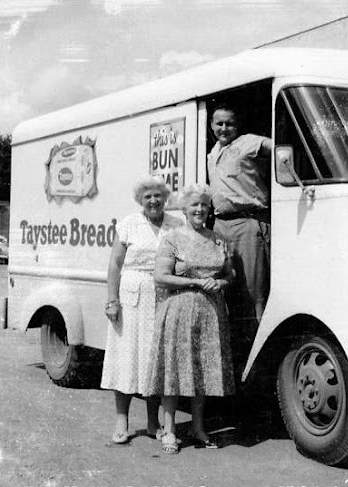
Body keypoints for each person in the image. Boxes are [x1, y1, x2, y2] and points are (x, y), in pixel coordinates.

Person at [145, 184, 235, 454]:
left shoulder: (218, 238)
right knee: (174, 371)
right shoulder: (172, 238)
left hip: (210, 313)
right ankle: (170, 429)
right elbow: (160, 277)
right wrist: (196, 282)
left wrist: (221, 283)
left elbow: (230, 275)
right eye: (195, 204)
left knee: (202, 372)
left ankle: (198, 428)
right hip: (178, 311)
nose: (200, 209)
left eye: (204, 205)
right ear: (184, 209)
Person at [101, 175, 183, 445]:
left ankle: (151, 422)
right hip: (132, 298)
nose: (153, 201)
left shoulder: (176, 224)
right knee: (126, 358)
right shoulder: (128, 224)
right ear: (140, 200)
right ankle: (122, 420)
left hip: (164, 297)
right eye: (148, 196)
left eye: (158, 195)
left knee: (154, 361)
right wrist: (112, 301)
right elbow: (115, 264)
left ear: (165, 198)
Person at [207, 104, 272, 372]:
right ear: (211, 126)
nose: (224, 129)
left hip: (248, 221)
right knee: (228, 291)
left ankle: (259, 365)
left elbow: (277, 147)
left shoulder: (248, 142)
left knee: (253, 293)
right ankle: (237, 361)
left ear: (238, 126)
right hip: (221, 225)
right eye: (219, 124)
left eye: (229, 124)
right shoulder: (213, 152)